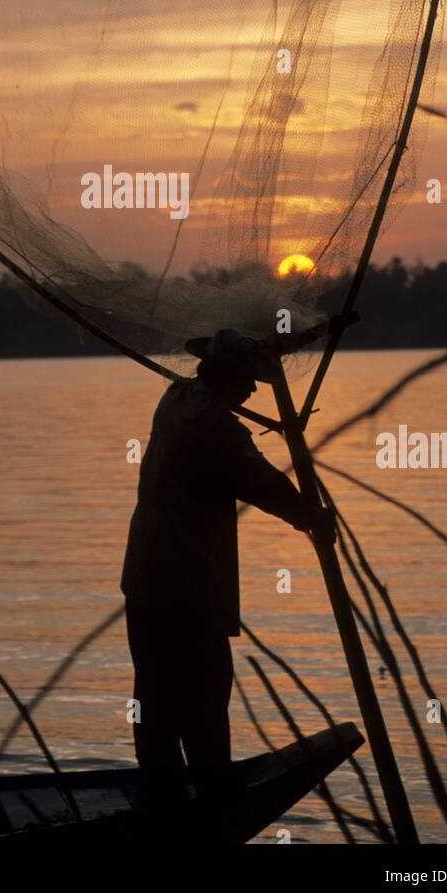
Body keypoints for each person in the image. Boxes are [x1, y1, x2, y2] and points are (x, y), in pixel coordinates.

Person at [120, 327, 336, 804]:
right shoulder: (217, 431)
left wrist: (297, 339)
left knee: (155, 692)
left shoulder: (177, 399)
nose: (254, 390)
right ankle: (209, 794)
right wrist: (313, 518)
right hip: (187, 580)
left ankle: (164, 791)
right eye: (247, 380)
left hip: (144, 575)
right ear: (226, 379)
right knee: (205, 688)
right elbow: (263, 484)